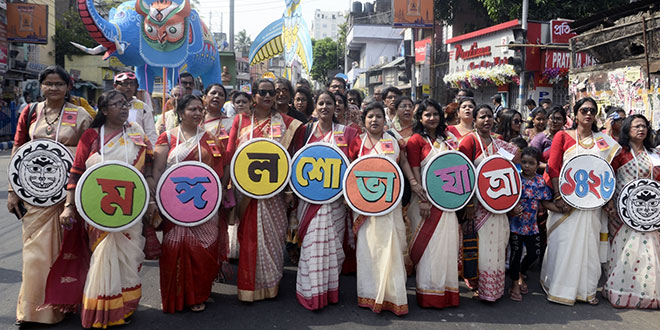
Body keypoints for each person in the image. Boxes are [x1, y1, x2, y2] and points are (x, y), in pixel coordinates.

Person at [9, 65, 93, 326]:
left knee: (62, 252)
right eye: (48, 83)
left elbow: (88, 154)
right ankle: (31, 311)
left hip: (65, 196)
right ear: (41, 86)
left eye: (59, 84)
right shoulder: (30, 111)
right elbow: (18, 148)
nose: (53, 88)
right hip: (33, 196)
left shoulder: (80, 115)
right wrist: (13, 191)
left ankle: (61, 306)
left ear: (68, 87)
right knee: (33, 254)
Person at [62, 90, 153, 327]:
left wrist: (151, 197)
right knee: (103, 255)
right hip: (98, 210)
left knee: (129, 258)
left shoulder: (135, 132)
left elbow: (149, 163)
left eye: (125, 104)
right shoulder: (91, 136)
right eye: (116, 104)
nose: (123, 108)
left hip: (131, 210)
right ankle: (102, 308)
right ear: (104, 110)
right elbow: (76, 171)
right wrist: (69, 206)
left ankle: (126, 304)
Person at [226, 78, 303, 302]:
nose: (268, 96)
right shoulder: (240, 121)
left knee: (274, 236)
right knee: (249, 237)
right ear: (254, 96)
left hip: (275, 192)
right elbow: (231, 154)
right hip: (246, 191)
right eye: (263, 92)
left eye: (272, 93)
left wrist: (289, 189)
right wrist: (226, 186)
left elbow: (291, 158)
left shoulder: (287, 123)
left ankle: (271, 283)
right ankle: (249, 287)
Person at [541, 97, 621, 306]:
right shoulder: (563, 136)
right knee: (564, 244)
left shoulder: (604, 140)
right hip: (567, 202)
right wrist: (559, 197)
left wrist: (608, 198)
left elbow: (609, 171)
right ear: (575, 114)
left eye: (592, 111)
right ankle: (560, 288)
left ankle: (586, 290)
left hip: (592, 204)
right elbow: (554, 167)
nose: (588, 114)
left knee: (589, 246)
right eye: (584, 110)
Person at [152, 94, 228, 313]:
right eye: (192, 109)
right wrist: (156, 199)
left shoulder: (210, 138)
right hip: (175, 206)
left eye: (200, 109)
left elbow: (220, 169)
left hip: (205, 207)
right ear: (180, 113)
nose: (197, 113)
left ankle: (198, 294)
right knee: (174, 247)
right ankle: (175, 295)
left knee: (205, 249)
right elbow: (157, 170)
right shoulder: (167, 137)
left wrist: (220, 194)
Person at [347, 102, 420, 315]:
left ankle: (393, 296)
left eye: (378, 116)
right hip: (364, 207)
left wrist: (413, 183)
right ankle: (369, 294)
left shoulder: (393, 141)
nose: (374, 120)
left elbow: (404, 162)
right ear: (364, 120)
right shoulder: (357, 143)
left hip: (390, 204)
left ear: (384, 120)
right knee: (369, 249)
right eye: (370, 117)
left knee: (391, 247)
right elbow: (350, 170)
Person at [293, 91, 358, 310]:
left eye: (329, 103)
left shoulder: (348, 133)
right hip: (309, 201)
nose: (324, 107)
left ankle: (328, 292)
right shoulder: (304, 132)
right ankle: (309, 292)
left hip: (336, 203)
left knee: (332, 250)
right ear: (315, 107)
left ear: (336, 107)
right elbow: (294, 163)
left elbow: (355, 163)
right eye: (320, 103)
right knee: (311, 247)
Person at [458, 104, 519, 302]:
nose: (487, 120)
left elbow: (512, 164)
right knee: (481, 248)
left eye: (490, 117)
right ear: (474, 120)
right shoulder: (468, 141)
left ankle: (495, 288)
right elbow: (463, 174)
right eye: (482, 117)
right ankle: (480, 287)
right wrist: (467, 206)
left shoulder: (499, 142)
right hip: (478, 206)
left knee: (499, 246)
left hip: (499, 205)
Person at [406, 98, 461, 308]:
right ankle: (428, 294)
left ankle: (447, 293)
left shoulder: (448, 139)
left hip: (447, 202)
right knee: (429, 250)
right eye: (427, 114)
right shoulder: (415, 141)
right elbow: (415, 169)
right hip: (425, 202)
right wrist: (423, 200)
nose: (432, 118)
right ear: (420, 118)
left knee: (446, 247)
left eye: (435, 114)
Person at [605, 114, 660, 308]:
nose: (641, 129)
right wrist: (610, 203)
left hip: (647, 213)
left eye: (644, 126)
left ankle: (645, 293)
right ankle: (619, 290)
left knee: (647, 253)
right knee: (622, 250)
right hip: (621, 212)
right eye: (636, 126)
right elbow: (609, 179)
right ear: (627, 130)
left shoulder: (653, 154)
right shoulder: (619, 153)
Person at [507, 147, 555, 302]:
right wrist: (512, 209)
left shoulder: (541, 182)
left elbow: (546, 202)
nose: (527, 166)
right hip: (515, 225)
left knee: (534, 253)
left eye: (531, 163)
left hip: (532, 227)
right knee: (515, 255)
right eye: (524, 162)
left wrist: (562, 209)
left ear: (537, 165)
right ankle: (514, 284)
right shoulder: (515, 179)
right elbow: (503, 200)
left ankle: (520, 272)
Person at [113, 71, 158, 143]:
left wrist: (151, 151)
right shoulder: (108, 105)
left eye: (132, 84)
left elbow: (150, 133)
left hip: (137, 150)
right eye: (125, 84)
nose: (129, 87)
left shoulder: (143, 107)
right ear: (115, 86)